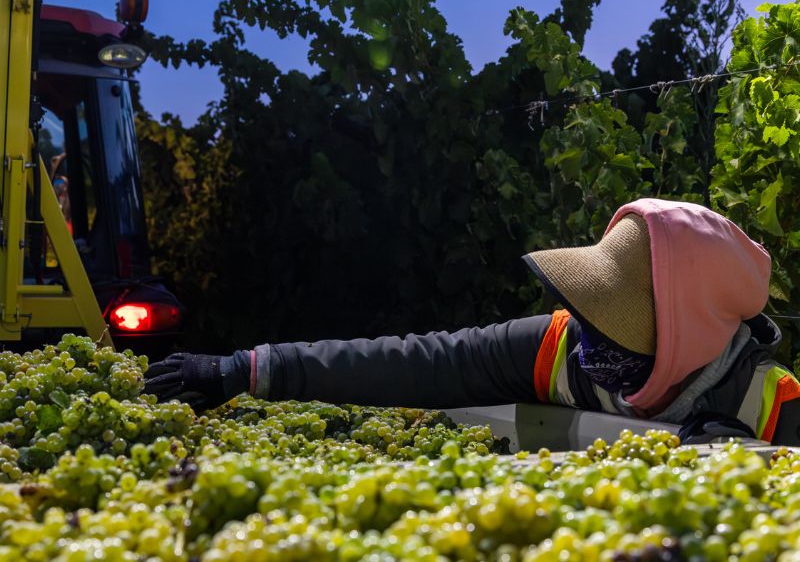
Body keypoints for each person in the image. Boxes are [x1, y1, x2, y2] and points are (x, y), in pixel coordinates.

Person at [143, 198, 800, 445]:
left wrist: (750, 462)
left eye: (614, 318)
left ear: (684, 331)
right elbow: (423, 361)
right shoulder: (557, 350)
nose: (586, 331)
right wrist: (252, 369)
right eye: (590, 309)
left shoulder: (769, 402)